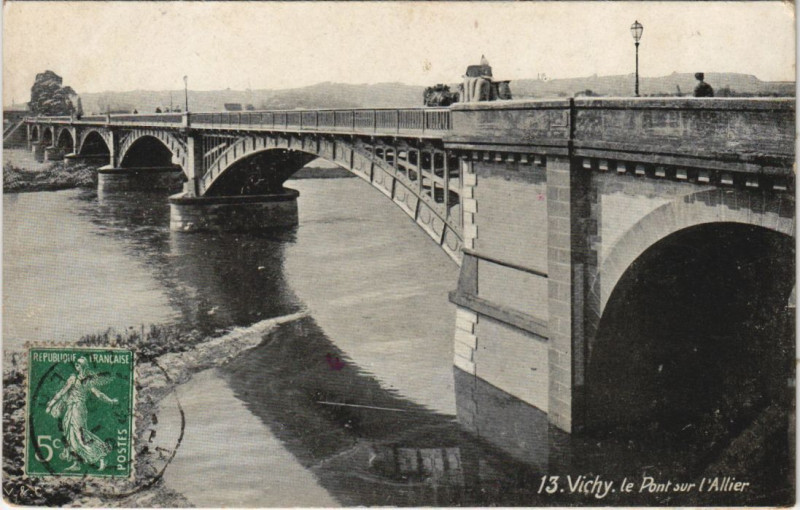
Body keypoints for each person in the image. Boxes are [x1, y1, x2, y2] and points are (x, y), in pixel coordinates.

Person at [45, 357, 117, 471]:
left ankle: (101, 456)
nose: (76, 366)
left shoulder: (85, 381)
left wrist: (110, 401)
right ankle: (77, 463)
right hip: (71, 409)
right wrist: (51, 404)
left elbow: (98, 394)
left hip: (78, 409)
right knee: (71, 436)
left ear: (82, 366)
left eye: (78, 365)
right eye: (76, 364)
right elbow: (62, 392)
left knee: (80, 436)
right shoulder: (75, 379)